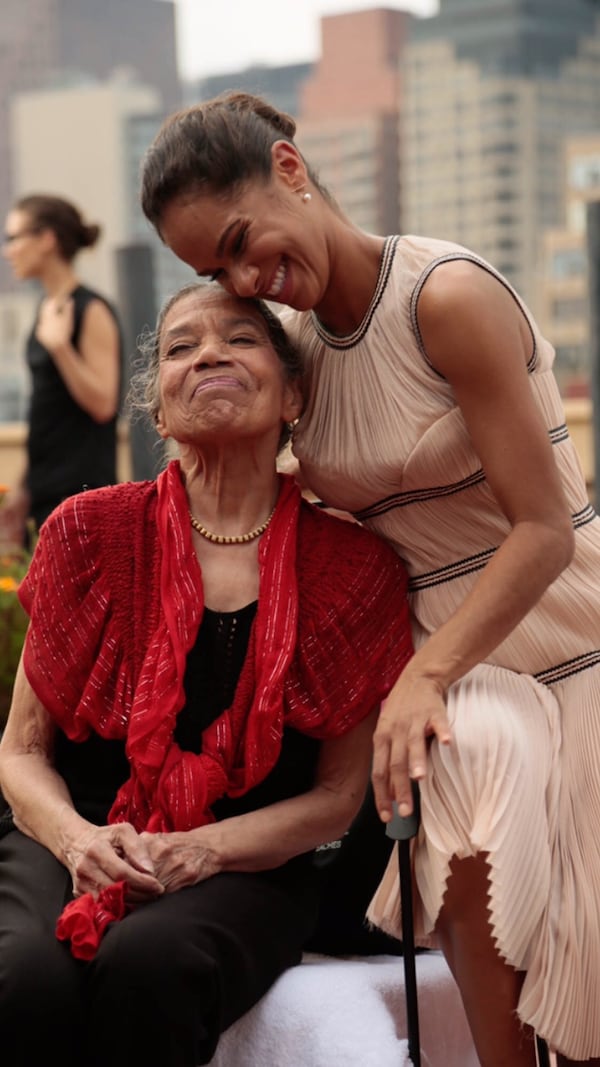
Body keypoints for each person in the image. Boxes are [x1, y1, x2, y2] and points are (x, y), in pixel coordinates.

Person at [137, 91, 600, 1067]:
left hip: (567, 638)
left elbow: (544, 528)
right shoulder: (300, 359)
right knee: (460, 777)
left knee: (587, 963)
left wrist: (423, 676)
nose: (242, 277)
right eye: (213, 270)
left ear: (292, 169)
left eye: (239, 239)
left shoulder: (445, 296)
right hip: (452, 669)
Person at [0, 281, 413, 1067]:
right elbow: (21, 750)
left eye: (241, 338)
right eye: (183, 347)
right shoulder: (87, 532)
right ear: (159, 411)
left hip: (251, 857)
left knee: (151, 964)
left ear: (294, 393)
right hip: (79, 827)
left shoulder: (355, 568)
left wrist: (207, 850)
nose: (211, 353)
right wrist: (79, 839)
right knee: (25, 978)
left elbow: (336, 797)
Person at [0, 194, 122, 544]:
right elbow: (46, 409)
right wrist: (24, 486)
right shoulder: (45, 309)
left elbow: (103, 404)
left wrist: (60, 347)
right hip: (43, 492)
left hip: (79, 495)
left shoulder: (90, 309)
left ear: (46, 239)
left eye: (14, 238)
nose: (8, 251)